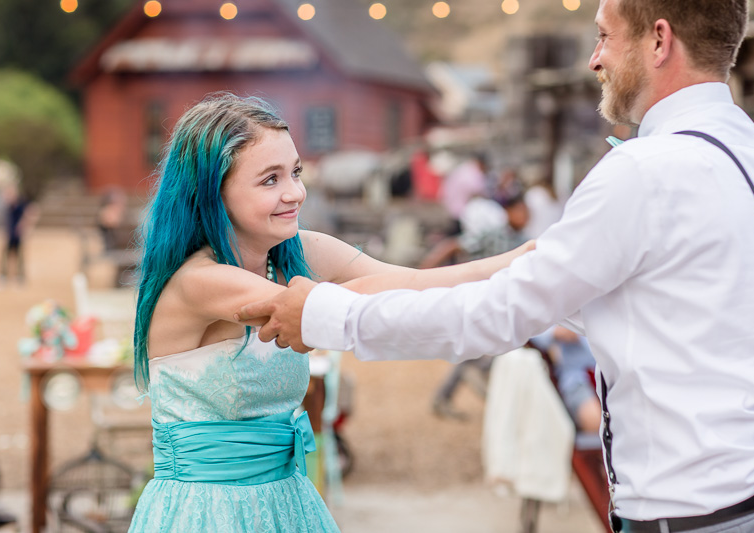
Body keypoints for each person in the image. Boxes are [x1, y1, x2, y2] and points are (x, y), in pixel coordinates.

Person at [239, 0, 754, 532]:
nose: (595, 58)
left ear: (658, 39)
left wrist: (324, 317)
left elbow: (496, 317)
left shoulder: (643, 172)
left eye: (604, 34)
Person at [127, 92, 532, 533]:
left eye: (296, 172)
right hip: (207, 511)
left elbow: (409, 282)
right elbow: (324, 307)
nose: (294, 193)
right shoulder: (200, 282)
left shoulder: (297, 253)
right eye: (270, 180)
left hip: (285, 498)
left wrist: (527, 259)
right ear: (212, 193)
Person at [421, 193, 531, 419]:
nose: (524, 216)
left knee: (482, 349)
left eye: (526, 212)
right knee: (482, 348)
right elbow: (454, 245)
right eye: (519, 211)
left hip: (504, 305)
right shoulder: (492, 235)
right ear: (507, 212)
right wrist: (424, 273)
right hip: (480, 300)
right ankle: (488, 396)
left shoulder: (524, 241)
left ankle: (455, 396)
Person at [0, 182, 38, 286]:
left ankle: (20, 276)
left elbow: (32, 211)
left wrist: (25, 225)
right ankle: (3, 275)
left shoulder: (22, 202)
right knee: (6, 255)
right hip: (9, 234)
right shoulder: (8, 205)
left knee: (19, 256)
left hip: (18, 234)